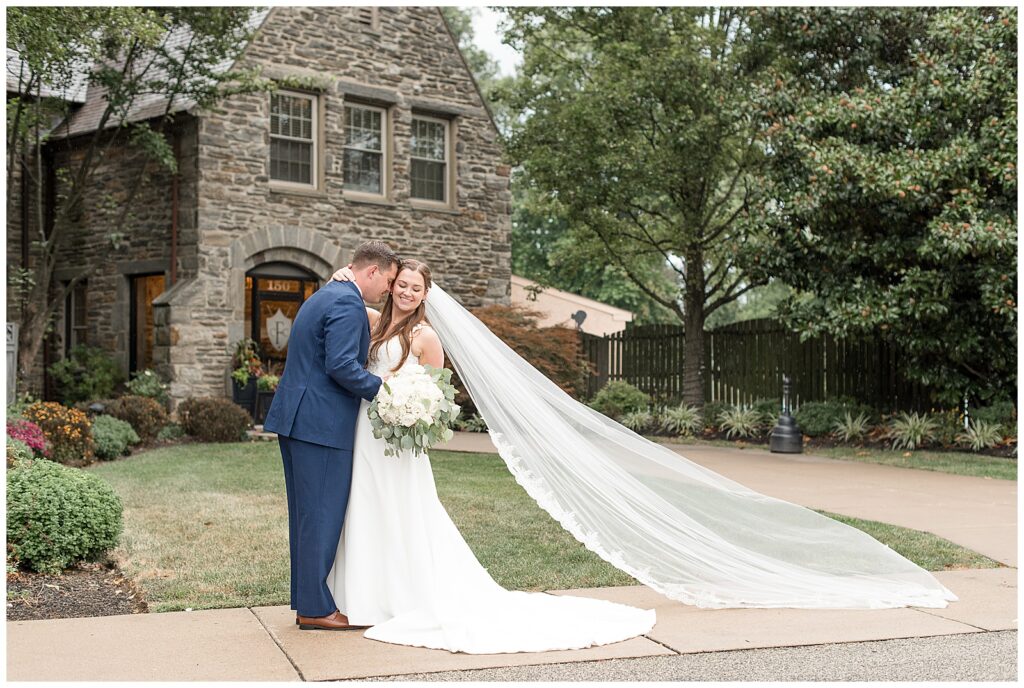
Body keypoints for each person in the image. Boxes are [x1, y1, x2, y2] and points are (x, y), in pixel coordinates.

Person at [327, 260, 657, 653]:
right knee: (364, 506)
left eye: (416, 288)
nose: (407, 293)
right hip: (365, 430)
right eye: (401, 285)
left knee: (399, 510)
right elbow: (344, 292)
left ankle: (400, 595)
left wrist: (407, 410)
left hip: (396, 441)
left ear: (425, 294)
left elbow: (435, 398)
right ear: (391, 285)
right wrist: (341, 274)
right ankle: (361, 595)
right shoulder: (372, 321)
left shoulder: (425, 336)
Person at [263, 240, 399, 631]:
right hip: (319, 425)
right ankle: (314, 608)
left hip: (303, 420)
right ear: (371, 272)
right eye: (388, 282)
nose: (388, 291)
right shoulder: (345, 303)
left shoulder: (330, 293)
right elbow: (341, 365)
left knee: (309, 516)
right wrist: (385, 393)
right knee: (320, 517)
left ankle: (311, 602)